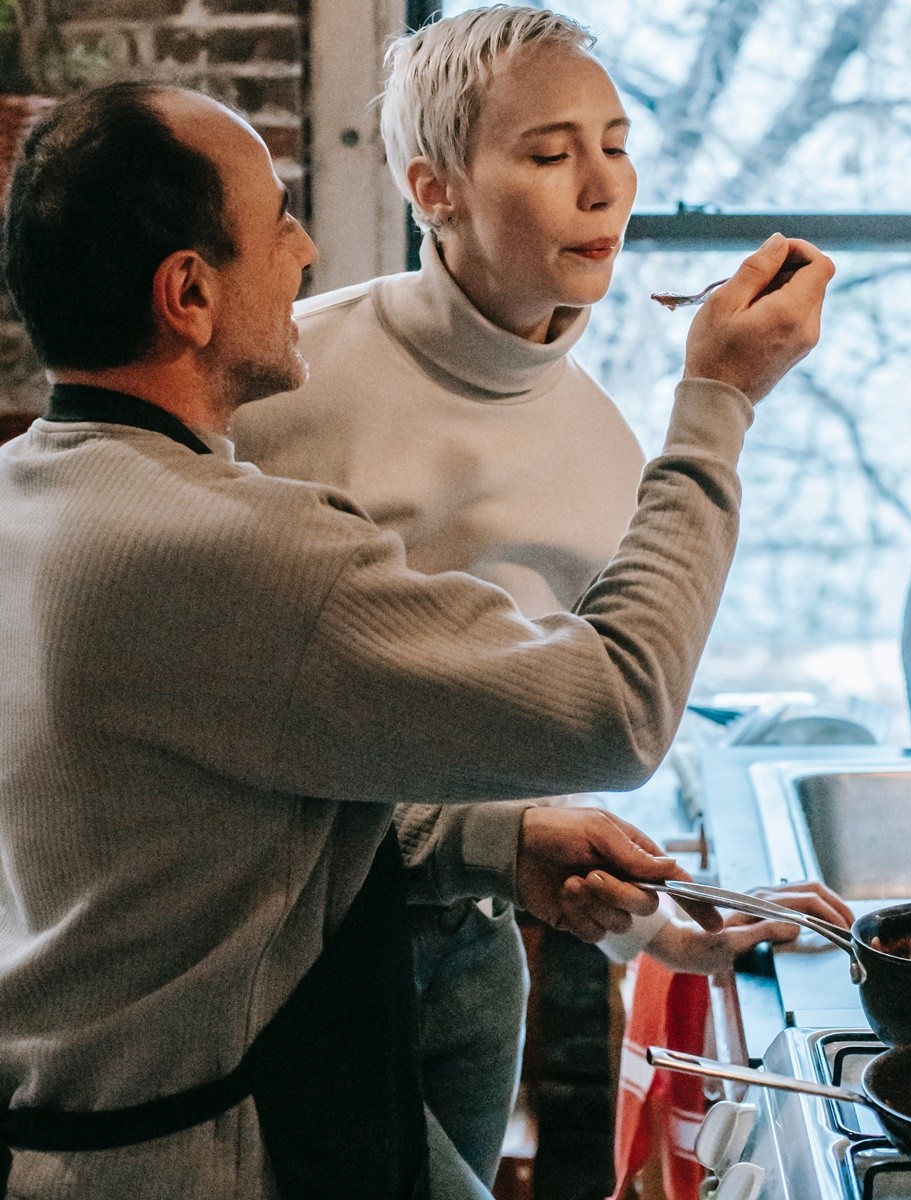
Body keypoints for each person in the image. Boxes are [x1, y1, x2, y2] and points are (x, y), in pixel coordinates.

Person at [0, 76, 833, 1200]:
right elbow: (616, 708)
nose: (305, 250)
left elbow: (204, 831)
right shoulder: (236, 549)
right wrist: (720, 399)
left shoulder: (26, 495)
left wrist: (495, 843)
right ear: (189, 294)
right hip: (227, 1156)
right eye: (278, 218)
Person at [233, 6, 852, 1194]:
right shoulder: (286, 384)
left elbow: (560, 755)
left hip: (472, 959)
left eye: (615, 142)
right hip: (283, 960)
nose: (601, 184)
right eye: (549, 151)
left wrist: (668, 925)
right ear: (435, 187)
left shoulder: (609, 447)